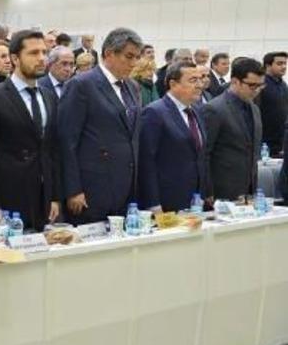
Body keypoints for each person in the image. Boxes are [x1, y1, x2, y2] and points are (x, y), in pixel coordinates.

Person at [59, 28, 143, 224]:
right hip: (91, 189)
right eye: (129, 56)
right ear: (109, 53)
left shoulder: (132, 87)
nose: (134, 63)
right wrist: (73, 189)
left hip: (126, 187)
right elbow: (66, 141)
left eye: (137, 57)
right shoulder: (81, 85)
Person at [0, 29, 59, 230]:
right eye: (33, 53)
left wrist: (54, 196)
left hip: (43, 198)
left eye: (44, 52)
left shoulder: (49, 96)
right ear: (15, 58)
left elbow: (51, 150)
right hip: (9, 197)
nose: (42, 58)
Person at [138, 61, 208, 213]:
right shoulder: (155, 112)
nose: (199, 85)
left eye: (200, 79)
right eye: (193, 80)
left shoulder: (197, 111)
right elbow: (146, 162)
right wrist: (153, 203)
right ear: (173, 84)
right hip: (167, 201)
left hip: (195, 201)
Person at [202, 57, 264, 201]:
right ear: (235, 81)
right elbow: (204, 154)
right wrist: (208, 190)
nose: (257, 90)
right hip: (221, 190)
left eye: (260, 85)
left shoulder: (254, 109)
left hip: (249, 188)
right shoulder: (214, 109)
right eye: (252, 85)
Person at [258, 51, 288, 157]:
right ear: (268, 66)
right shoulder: (260, 84)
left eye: (285, 63)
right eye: (279, 63)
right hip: (265, 142)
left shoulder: (283, 85)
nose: (284, 67)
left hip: (280, 141)